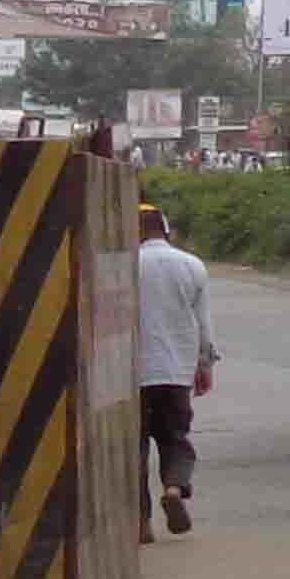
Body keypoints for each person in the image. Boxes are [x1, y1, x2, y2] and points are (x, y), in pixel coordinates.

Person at [131, 202, 218, 537]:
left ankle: (141, 523)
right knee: (176, 439)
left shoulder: (126, 265)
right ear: (165, 230)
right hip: (176, 372)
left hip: (133, 376)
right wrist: (204, 366)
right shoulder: (191, 265)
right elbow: (203, 325)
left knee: (134, 449)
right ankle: (173, 489)